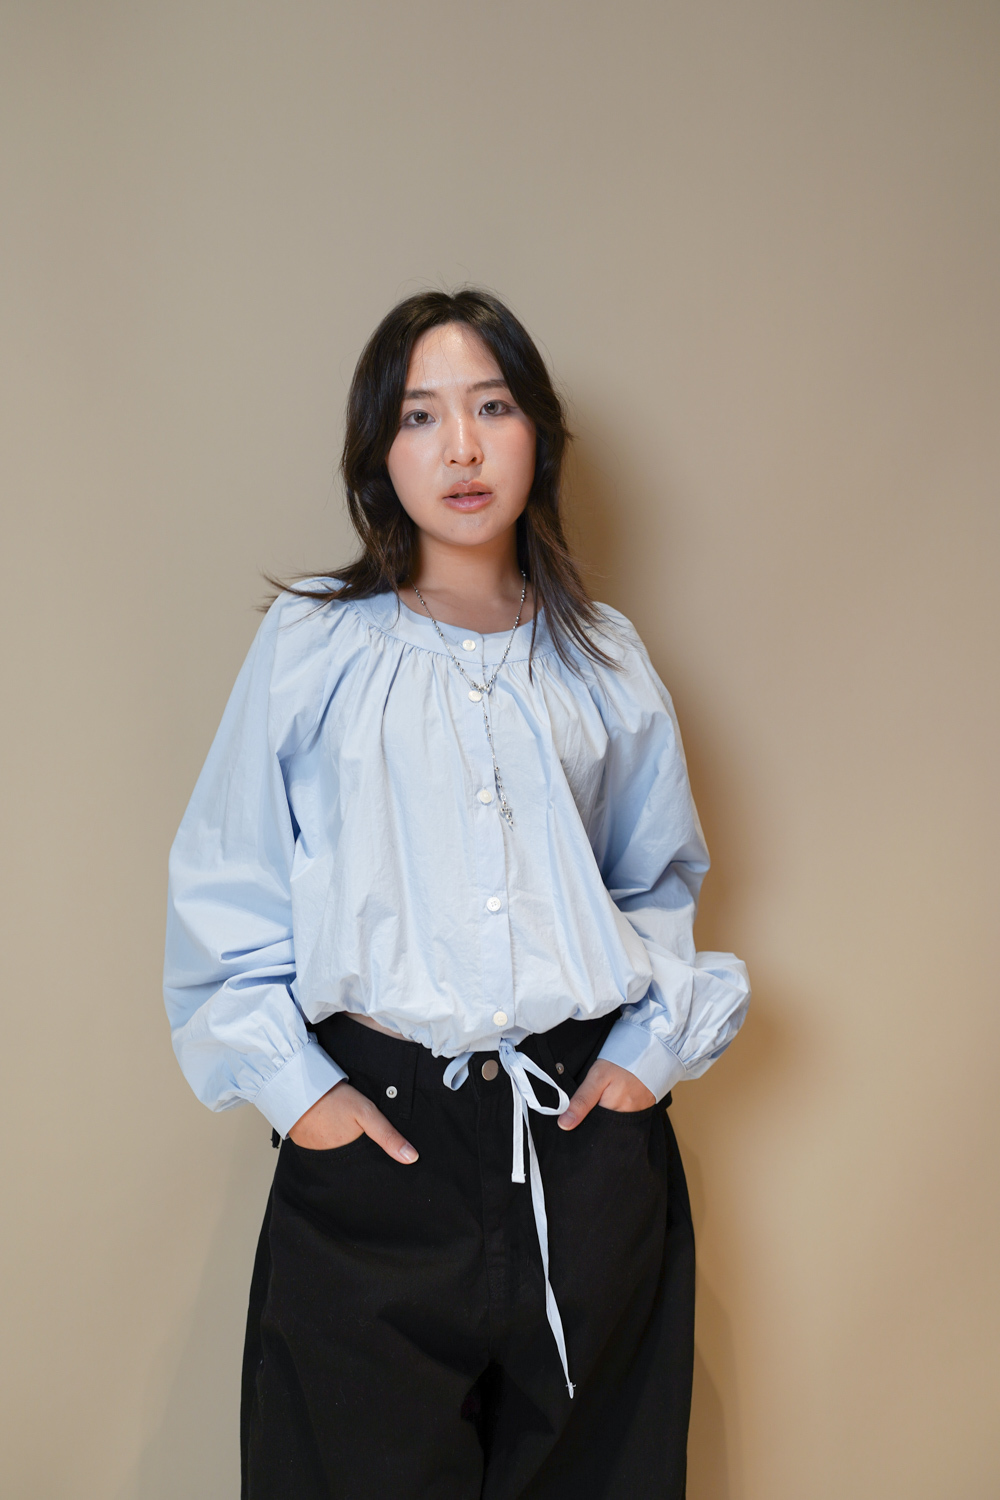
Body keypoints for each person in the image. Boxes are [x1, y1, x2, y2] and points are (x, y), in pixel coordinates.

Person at [163, 287, 750, 1500]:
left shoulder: (605, 659)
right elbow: (228, 884)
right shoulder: (313, 645)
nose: (463, 448)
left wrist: (641, 1064)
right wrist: (303, 1097)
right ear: (379, 453)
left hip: (580, 1148)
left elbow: (654, 880)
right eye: (421, 416)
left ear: (539, 432)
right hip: (374, 1153)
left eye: (492, 407)